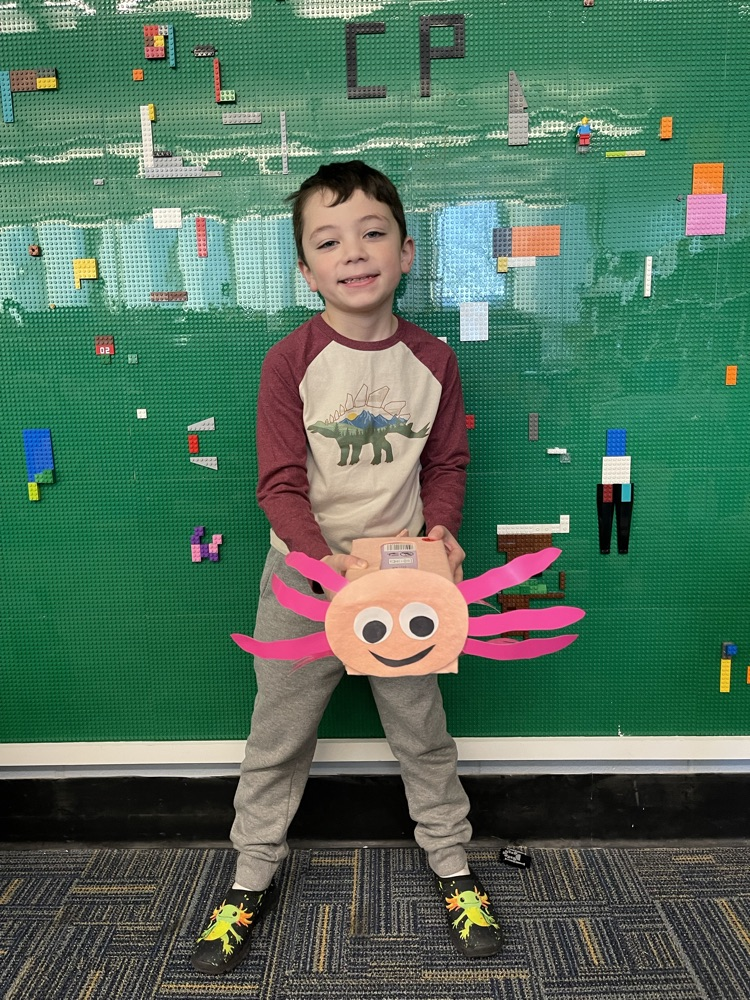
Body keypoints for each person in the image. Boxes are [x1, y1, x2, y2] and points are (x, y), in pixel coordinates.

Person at [190, 160, 502, 975]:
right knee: (277, 735)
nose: (354, 252)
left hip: (401, 584)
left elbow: (446, 463)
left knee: (422, 732)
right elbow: (279, 484)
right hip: (304, 582)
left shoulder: (433, 360)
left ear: (406, 252)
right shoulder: (289, 362)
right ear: (306, 270)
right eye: (328, 241)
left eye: (372, 233)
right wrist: (326, 565)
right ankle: (250, 875)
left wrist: (441, 530)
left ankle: (452, 863)